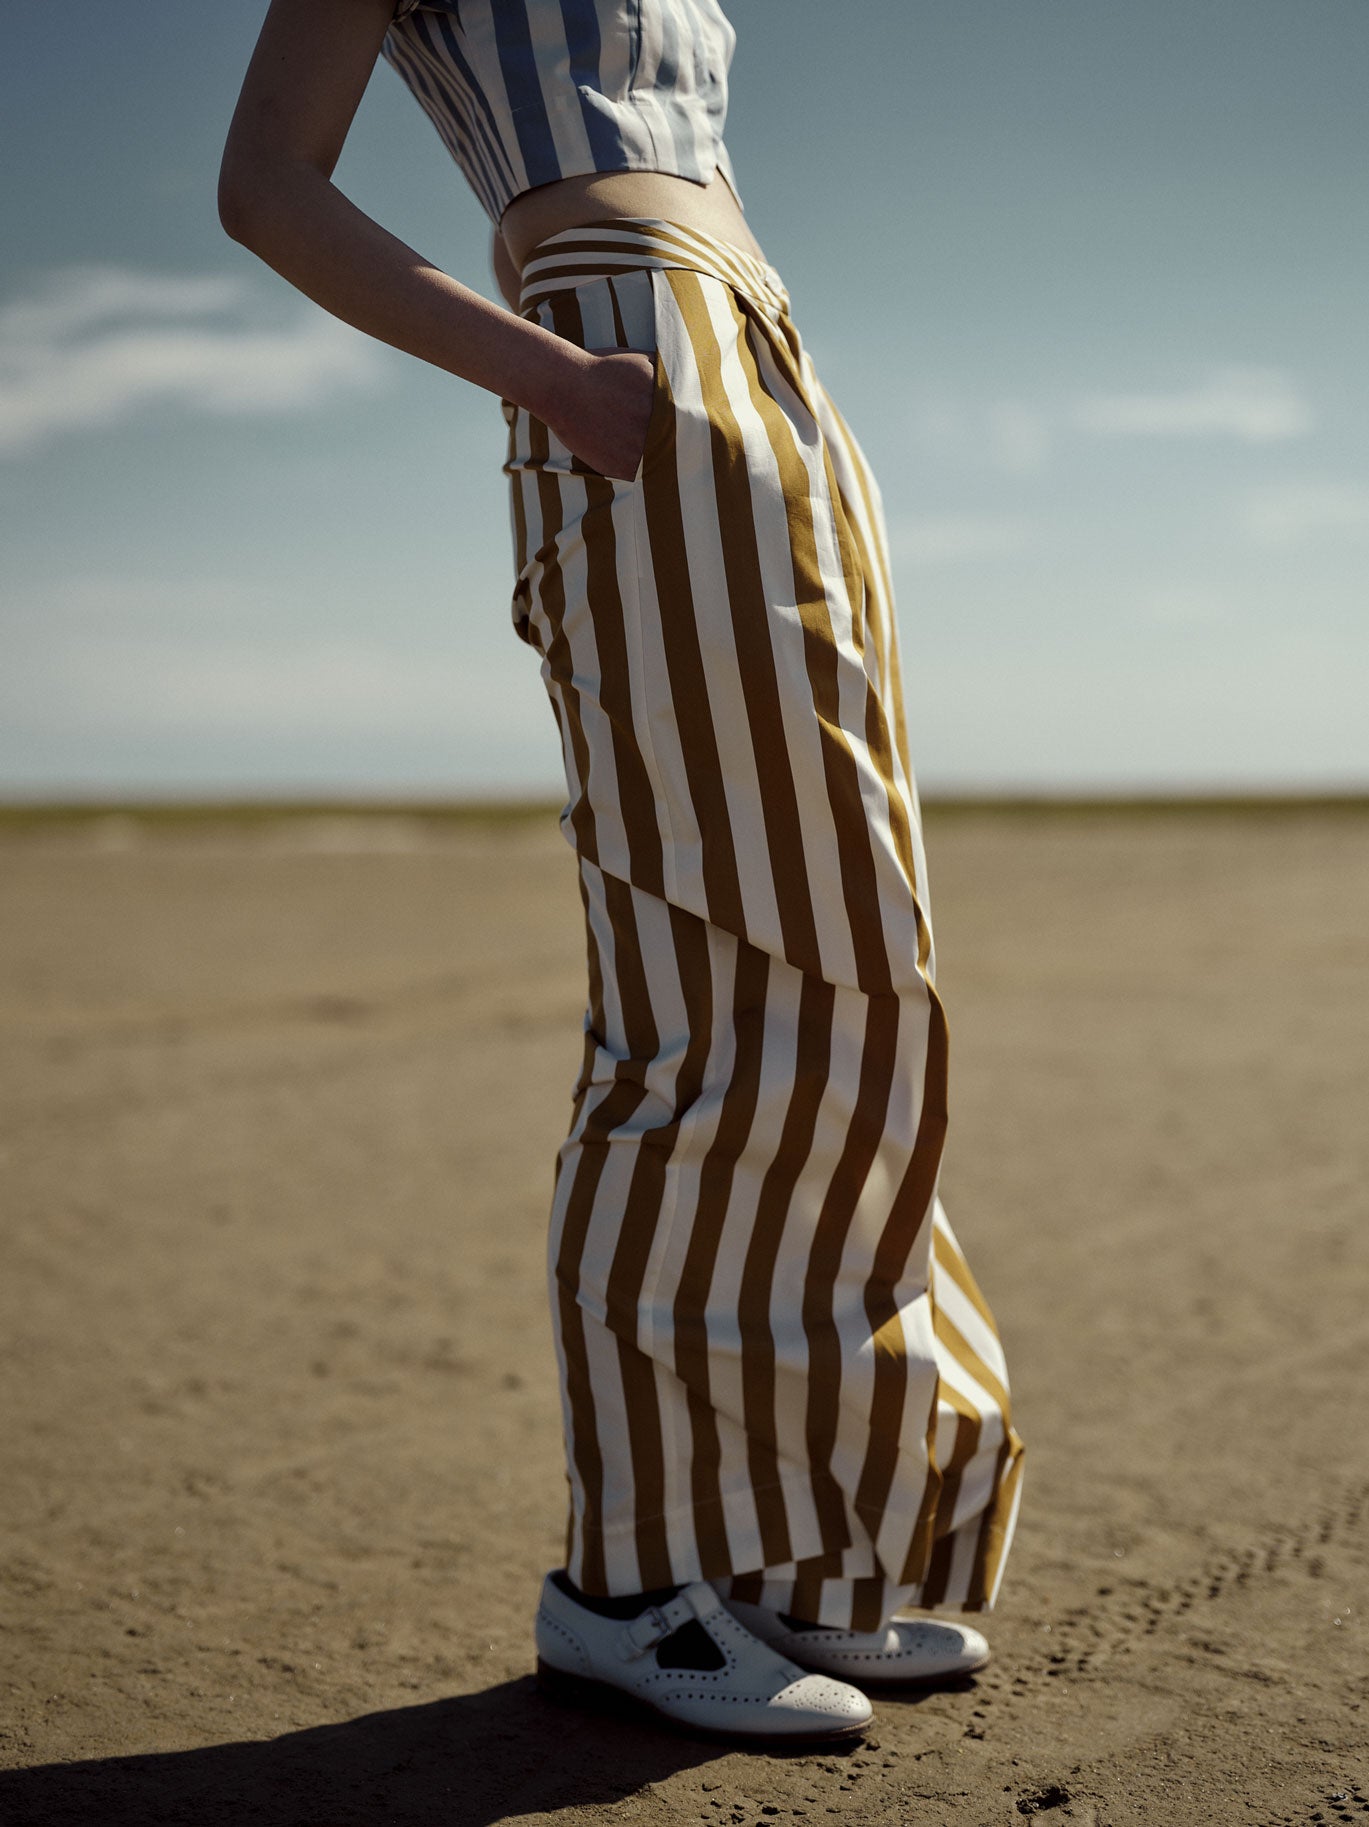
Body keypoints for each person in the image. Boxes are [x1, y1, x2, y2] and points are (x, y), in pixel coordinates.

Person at [219, 0, 1025, 1746]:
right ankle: (629, 1588)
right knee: (706, 982)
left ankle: (796, 1550)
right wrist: (556, 378)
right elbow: (265, 190)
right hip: (618, 345)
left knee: (856, 967)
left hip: (764, 347)